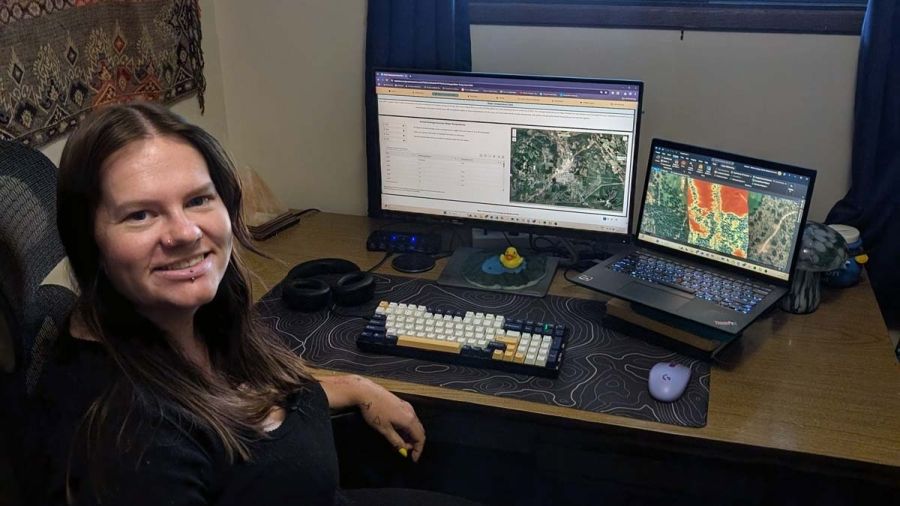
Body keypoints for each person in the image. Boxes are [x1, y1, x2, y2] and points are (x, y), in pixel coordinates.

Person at [31, 102, 477, 505]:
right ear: (88, 241)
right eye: (140, 214)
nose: (185, 233)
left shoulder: (194, 323)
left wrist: (355, 385)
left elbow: (237, 409)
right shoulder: (127, 442)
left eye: (198, 199)